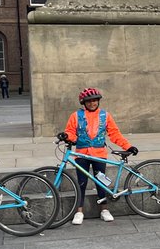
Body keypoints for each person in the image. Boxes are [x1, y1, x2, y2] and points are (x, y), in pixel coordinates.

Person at [58, 87, 136, 225]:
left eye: (94, 100)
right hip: (81, 154)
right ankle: (79, 211)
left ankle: (104, 209)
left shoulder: (105, 116)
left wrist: (127, 146)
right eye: (89, 101)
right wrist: (66, 136)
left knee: (101, 182)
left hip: (99, 154)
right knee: (81, 183)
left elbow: (115, 134)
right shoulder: (76, 116)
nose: (92, 103)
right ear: (84, 103)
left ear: (98, 101)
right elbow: (71, 132)